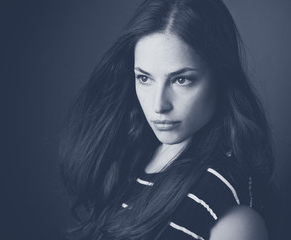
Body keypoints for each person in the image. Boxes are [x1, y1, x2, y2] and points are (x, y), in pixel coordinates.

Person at [59, 0, 278, 239]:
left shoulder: (229, 212)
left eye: (181, 80)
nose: (158, 105)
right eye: (144, 78)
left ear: (221, 77)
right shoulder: (132, 158)